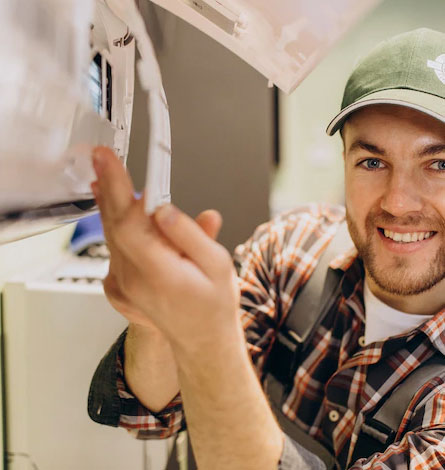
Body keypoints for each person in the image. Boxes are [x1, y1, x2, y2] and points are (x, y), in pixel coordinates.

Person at [88, 28, 445, 469]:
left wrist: (206, 336)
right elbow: (150, 414)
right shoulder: (293, 249)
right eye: (372, 162)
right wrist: (158, 321)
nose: (397, 202)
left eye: (439, 164)